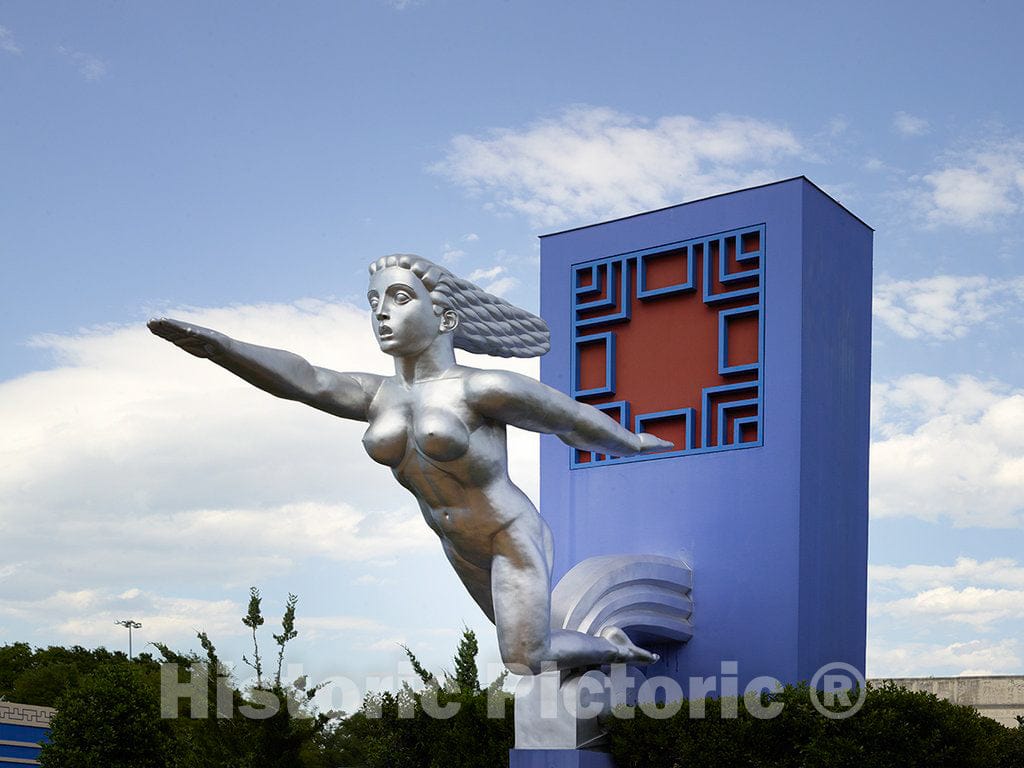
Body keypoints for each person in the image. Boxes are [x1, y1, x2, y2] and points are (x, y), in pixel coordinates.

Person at [149, 253, 671, 673]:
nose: (381, 312)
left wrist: (632, 443)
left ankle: (615, 648)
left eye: (399, 299)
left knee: (524, 659)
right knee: (534, 651)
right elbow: (307, 380)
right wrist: (223, 348)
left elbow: (569, 418)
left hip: (508, 538)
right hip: (457, 546)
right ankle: (594, 656)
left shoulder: (481, 388)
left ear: (445, 317)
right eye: (373, 301)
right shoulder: (376, 395)